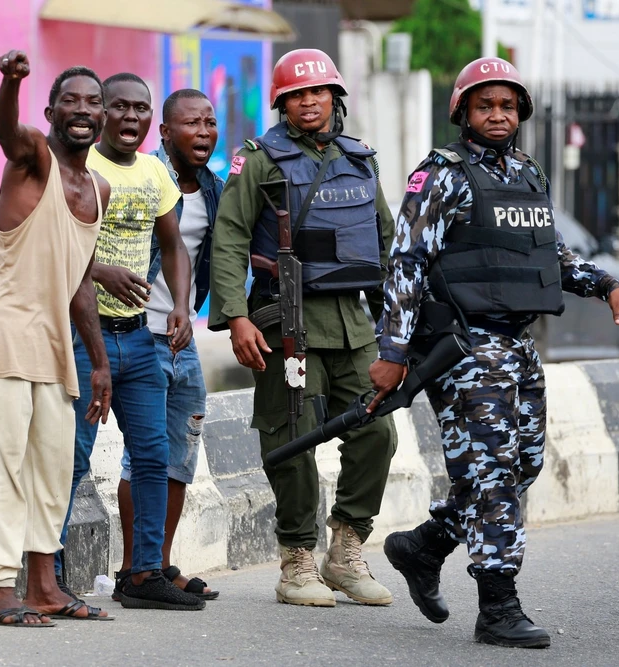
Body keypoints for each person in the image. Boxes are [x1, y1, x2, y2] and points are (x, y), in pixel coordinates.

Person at [373, 57, 619, 648]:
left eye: (508, 105)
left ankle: (424, 547)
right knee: (491, 472)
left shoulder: (527, 174)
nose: (498, 115)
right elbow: (406, 263)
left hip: (516, 343)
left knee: (522, 465)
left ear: (520, 113)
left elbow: (550, 257)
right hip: (463, 345)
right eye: (485, 105)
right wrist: (392, 347)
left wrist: (606, 284)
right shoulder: (441, 175)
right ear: (463, 112)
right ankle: (498, 606)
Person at [209, 48, 399, 608]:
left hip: (356, 325)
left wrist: (399, 325)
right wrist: (237, 317)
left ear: (335, 97)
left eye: (317, 92)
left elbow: (384, 240)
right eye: (296, 94)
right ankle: (296, 560)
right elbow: (230, 239)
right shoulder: (259, 159)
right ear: (282, 104)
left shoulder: (360, 159)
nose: (308, 101)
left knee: (377, 433)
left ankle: (344, 552)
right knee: (291, 436)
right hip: (287, 321)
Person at [0, 51, 113, 627]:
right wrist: (10, 80)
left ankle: (45, 584)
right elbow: (5, 129)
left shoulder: (98, 188)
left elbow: (79, 281)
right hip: (4, 334)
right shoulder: (33, 159)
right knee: (4, 465)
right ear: (51, 112)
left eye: (92, 102)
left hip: (54, 346)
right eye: (71, 101)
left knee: (51, 467)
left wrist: (99, 364)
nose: (83, 110)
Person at [55, 73, 204, 611]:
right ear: (101, 115)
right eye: (119, 107)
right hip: (81, 338)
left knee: (152, 458)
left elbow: (175, 247)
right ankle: (48, 576)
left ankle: (142, 574)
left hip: (140, 339)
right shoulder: (78, 167)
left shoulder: (154, 172)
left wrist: (182, 307)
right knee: (71, 460)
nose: (130, 118)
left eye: (140, 109)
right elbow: (52, 246)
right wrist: (101, 271)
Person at [113, 88, 224, 601]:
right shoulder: (142, 177)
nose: (203, 132)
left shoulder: (215, 190)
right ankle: (134, 570)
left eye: (209, 123)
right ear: (165, 132)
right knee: (144, 457)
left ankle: (157, 564)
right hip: (136, 336)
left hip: (183, 343)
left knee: (179, 456)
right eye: (191, 123)